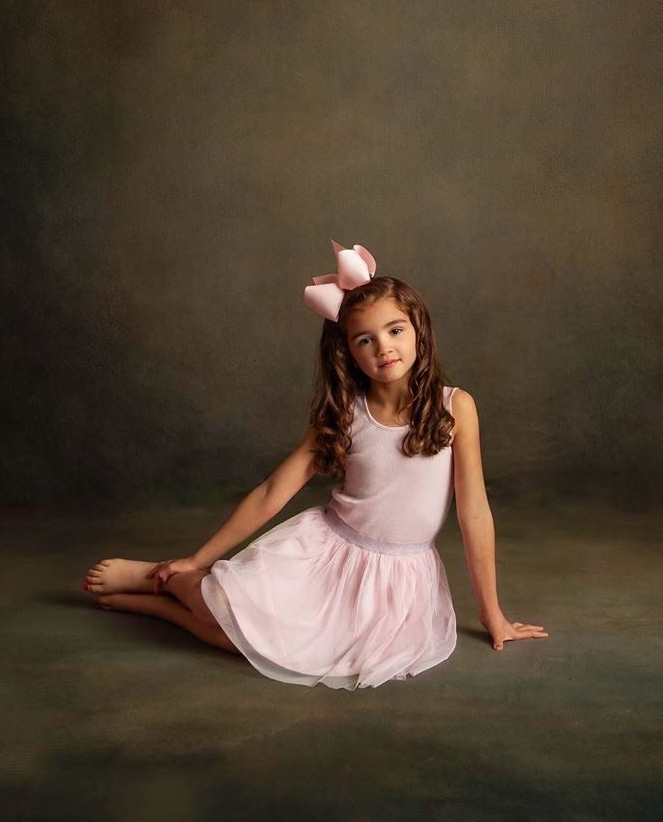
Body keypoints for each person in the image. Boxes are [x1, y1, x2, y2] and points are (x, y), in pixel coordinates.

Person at [83, 239, 549, 689]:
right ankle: (172, 577)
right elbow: (272, 492)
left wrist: (492, 613)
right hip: (328, 555)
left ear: (419, 331)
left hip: (397, 581)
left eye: (395, 330)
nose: (383, 348)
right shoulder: (346, 414)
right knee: (226, 609)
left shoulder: (455, 407)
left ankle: (159, 606)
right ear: (348, 351)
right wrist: (197, 558)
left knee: (270, 649)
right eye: (365, 339)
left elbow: (474, 514)